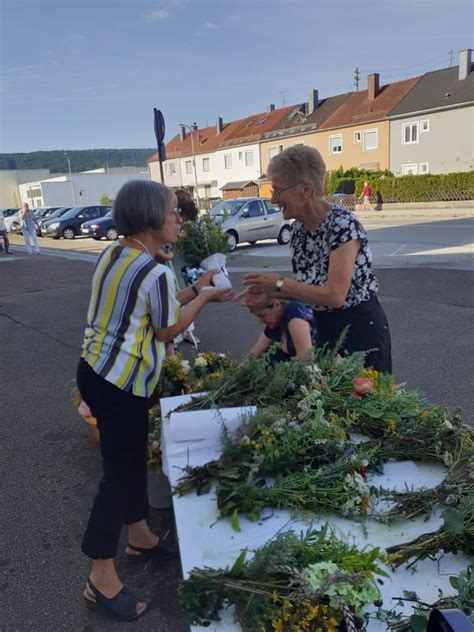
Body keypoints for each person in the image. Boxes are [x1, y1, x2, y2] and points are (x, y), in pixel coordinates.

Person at [76, 180, 232, 622]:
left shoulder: (115, 255)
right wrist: (204, 294)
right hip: (121, 384)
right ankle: (100, 578)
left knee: (126, 463)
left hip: (95, 372)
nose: (178, 218)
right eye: (171, 211)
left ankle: (140, 535)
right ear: (149, 221)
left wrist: (193, 286)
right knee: (118, 476)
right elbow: (168, 329)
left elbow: (154, 308)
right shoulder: (157, 271)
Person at [240, 146, 392, 373]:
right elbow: (306, 289)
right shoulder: (299, 230)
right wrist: (267, 293)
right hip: (324, 328)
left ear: (306, 190)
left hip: (359, 330)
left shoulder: (343, 224)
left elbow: (335, 295)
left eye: (278, 191)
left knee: (364, 402)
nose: (273, 199)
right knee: (328, 403)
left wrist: (279, 283)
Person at [248, 297, 317, 365]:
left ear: (277, 305)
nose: (261, 321)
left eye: (263, 316)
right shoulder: (274, 326)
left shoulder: (293, 312)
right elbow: (252, 357)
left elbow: (306, 358)